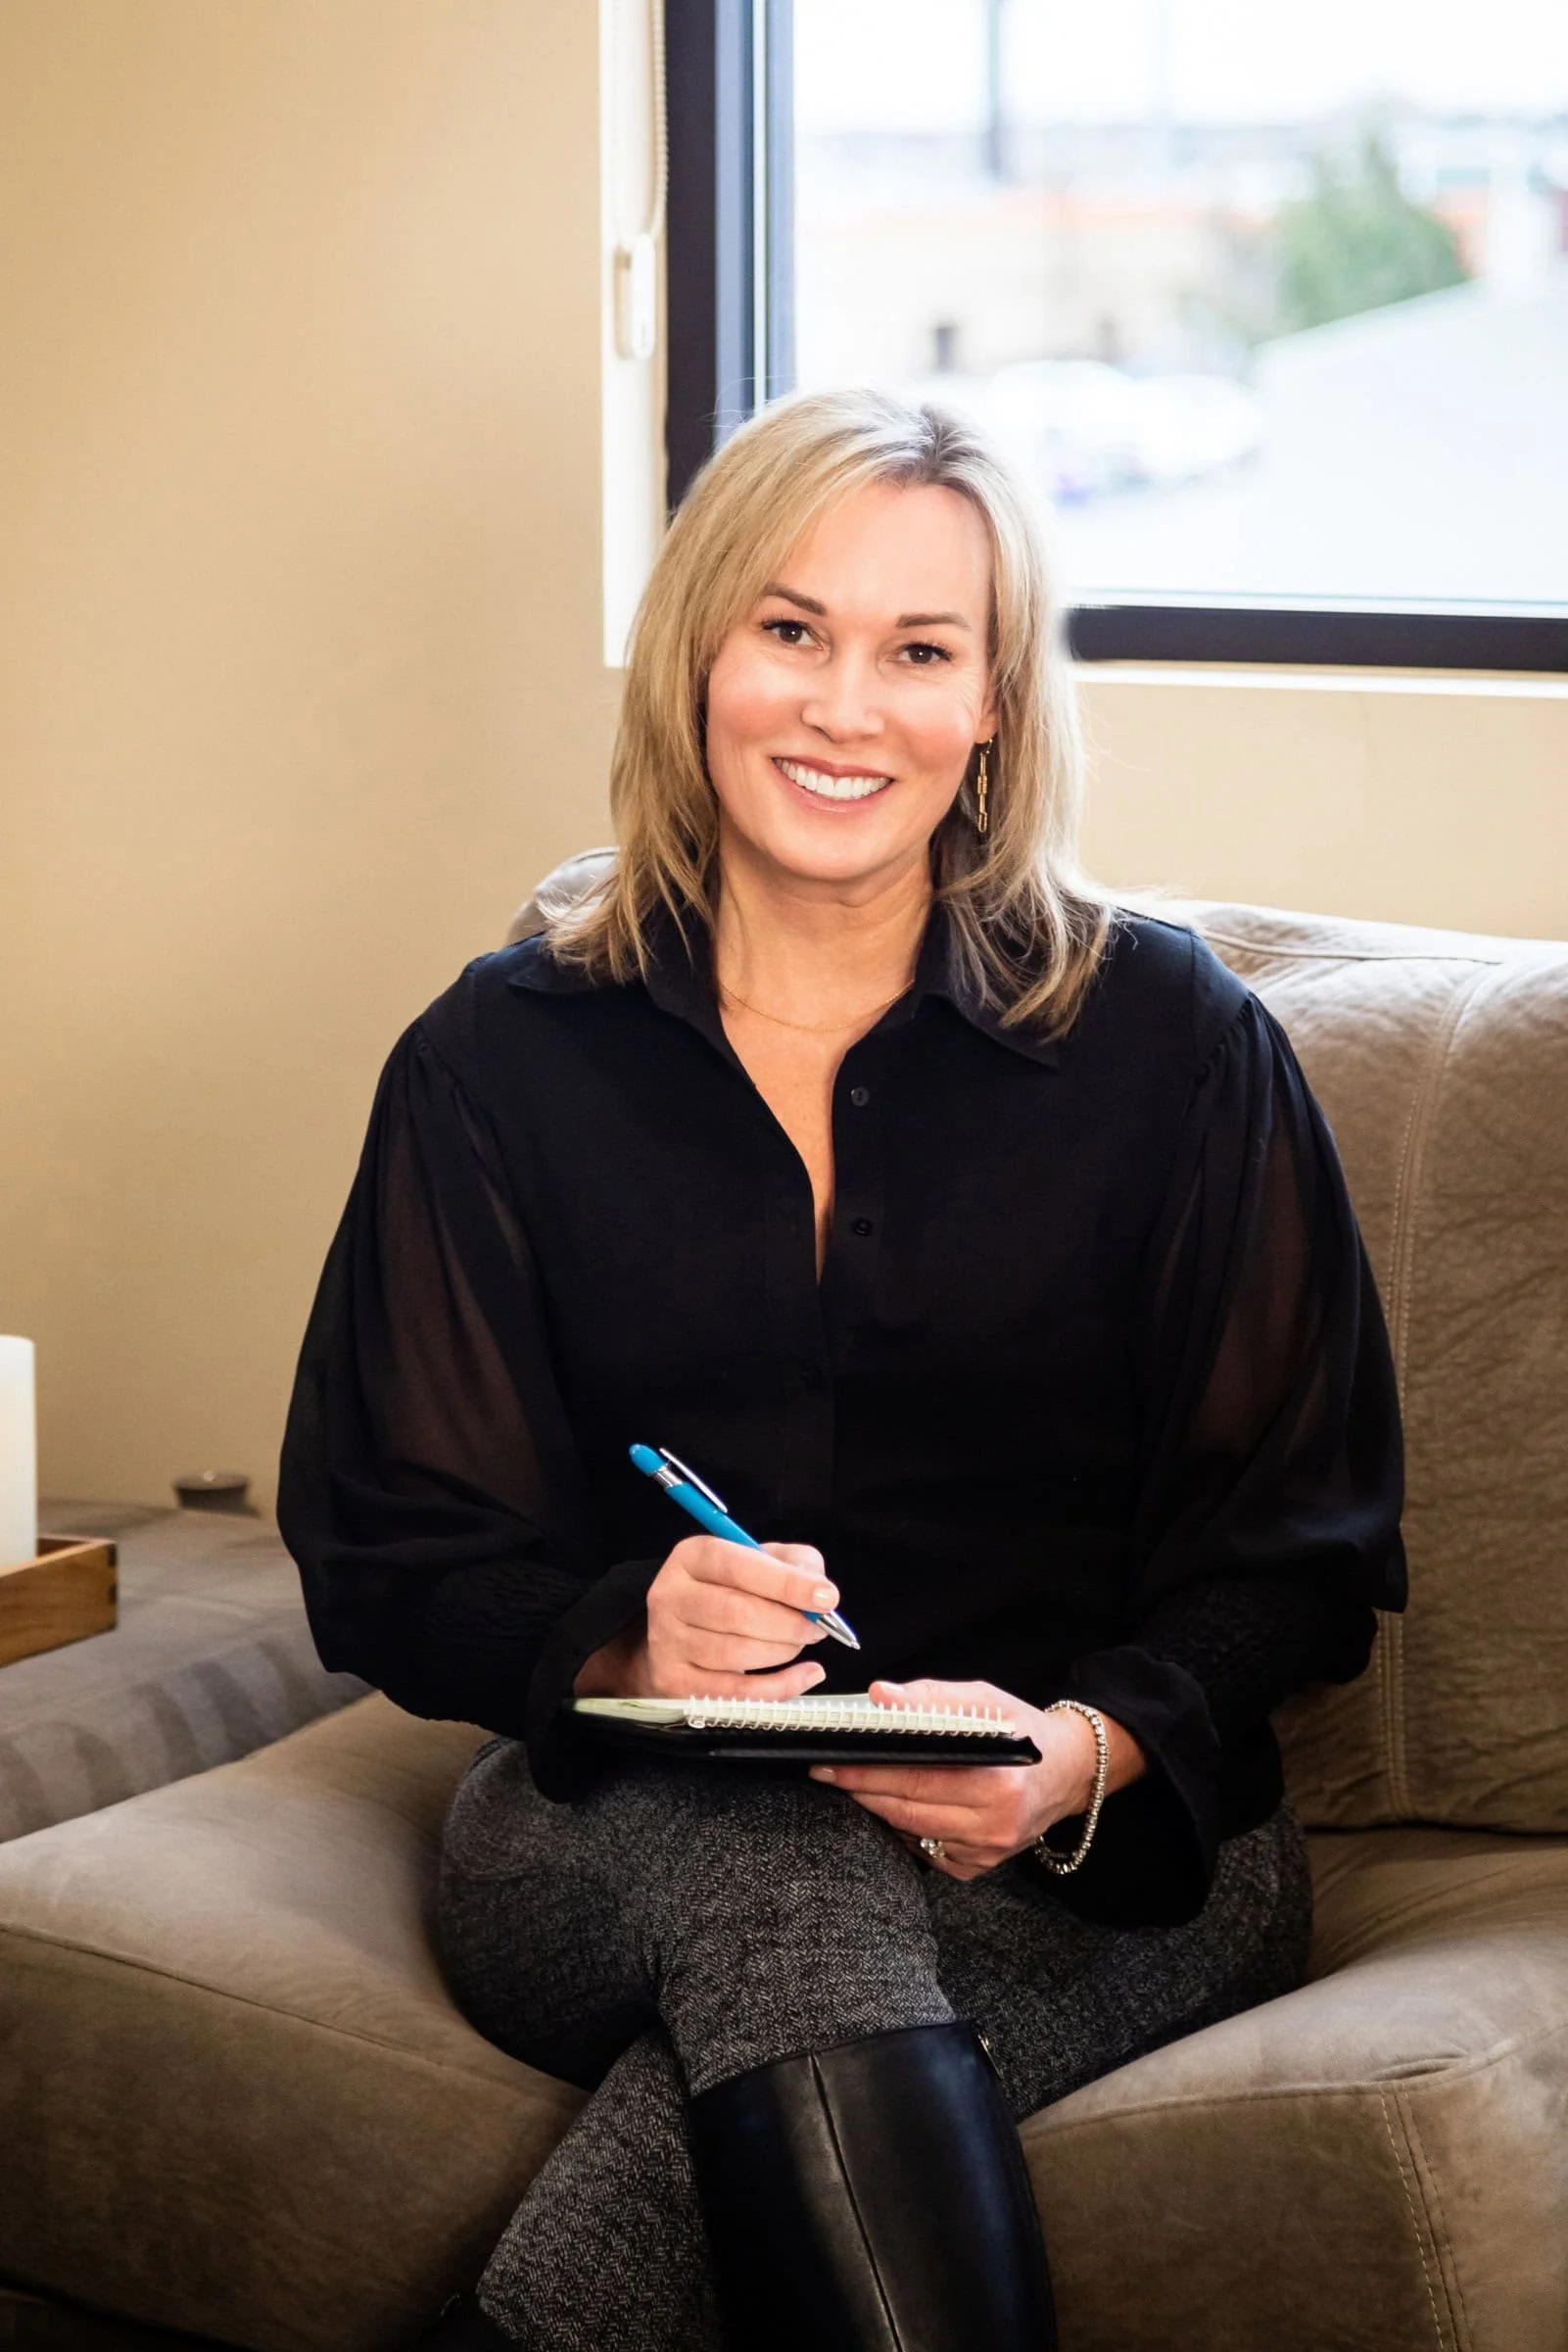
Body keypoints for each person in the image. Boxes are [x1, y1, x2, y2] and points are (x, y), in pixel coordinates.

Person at [278, 387, 1405, 2352]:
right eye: (788, 631)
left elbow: (1303, 1549)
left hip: (1103, 1848)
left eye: (916, 650)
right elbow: (388, 1551)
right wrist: (631, 1637)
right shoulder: (497, 1062)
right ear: (699, 652)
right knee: (772, 1860)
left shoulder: (1173, 1047)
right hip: (610, 1838)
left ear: (988, 707)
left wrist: (1079, 1750)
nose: (839, 705)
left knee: (652, 2194)